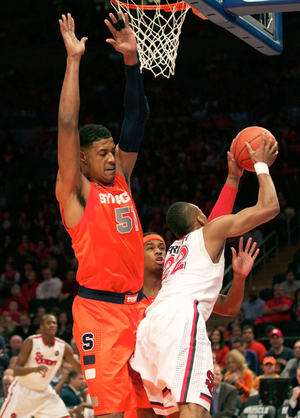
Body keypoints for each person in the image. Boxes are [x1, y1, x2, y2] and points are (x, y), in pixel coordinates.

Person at [130, 135, 279, 418]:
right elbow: (270, 208)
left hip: (152, 326)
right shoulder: (207, 233)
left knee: (173, 413)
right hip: (180, 321)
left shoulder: (178, 252)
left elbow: (229, 308)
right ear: (201, 219)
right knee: (193, 410)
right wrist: (261, 166)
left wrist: (239, 277)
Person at [56, 10, 149, 418]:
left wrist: (131, 61)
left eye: (113, 151)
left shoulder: (122, 179)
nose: (113, 158)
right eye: (103, 153)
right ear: (82, 159)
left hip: (140, 308)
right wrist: (74, 60)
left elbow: (137, 116)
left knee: (150, 408)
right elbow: (66, 122)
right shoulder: (76, 191)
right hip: (100, 313)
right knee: (110, 413)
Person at [0, 314, 82, 418]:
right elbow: (16, 370)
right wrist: (34, 369)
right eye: (48, 323)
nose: (52, 325)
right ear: (41, 327)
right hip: (23, 391)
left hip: (45, 393)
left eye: (54, 323)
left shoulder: (63, 346)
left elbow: (79, 368)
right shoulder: (31, 342)